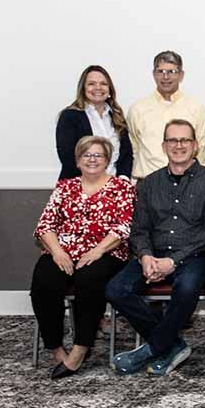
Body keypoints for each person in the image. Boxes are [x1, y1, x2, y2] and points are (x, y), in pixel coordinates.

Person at [106, 120, 205, 375]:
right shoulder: (148, 183)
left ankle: (152, 348)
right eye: (172, 140)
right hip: (154, 253)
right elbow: (139, 230)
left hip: (194, 255)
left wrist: (174, 262)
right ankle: (172, 344)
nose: (178, 145)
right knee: (116, 289)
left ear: (195, 145)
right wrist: (146, 256)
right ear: (164, 146)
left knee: (187, 287)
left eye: (184, 140)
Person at [31, 136, 135, 378]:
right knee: (44, 279)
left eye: (98, 155)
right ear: (77, 161)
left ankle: (80, 349)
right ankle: (56, 349)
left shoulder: (122, 187)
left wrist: (97, 250)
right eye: (87, 155)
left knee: (90, 279)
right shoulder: (65, 187)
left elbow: (124, 227)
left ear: (107, 160)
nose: (92, 159)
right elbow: (45, 225)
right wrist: (57, 252)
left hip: (106, 251)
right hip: (64, 250)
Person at [126, 50, 205, 181]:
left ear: (181, 75)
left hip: (188, 183)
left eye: (171, 72)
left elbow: (204, 150)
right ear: (154, 74)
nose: (165, 77)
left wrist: (194, 181)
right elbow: (133, 148)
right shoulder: (138, 109)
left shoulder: (195, 108)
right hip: (147, 184)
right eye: (160, 71)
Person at [55, 65, 133, 180]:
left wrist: (122, 181)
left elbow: (126, 154)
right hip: (79, 188)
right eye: (91, 84)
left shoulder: (117, 116)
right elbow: (68, 157)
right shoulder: (69, 116)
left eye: (103, 84)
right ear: (83, 89)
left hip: (114, 189)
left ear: (110, 89)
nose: (98, 87)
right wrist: (94, 184)